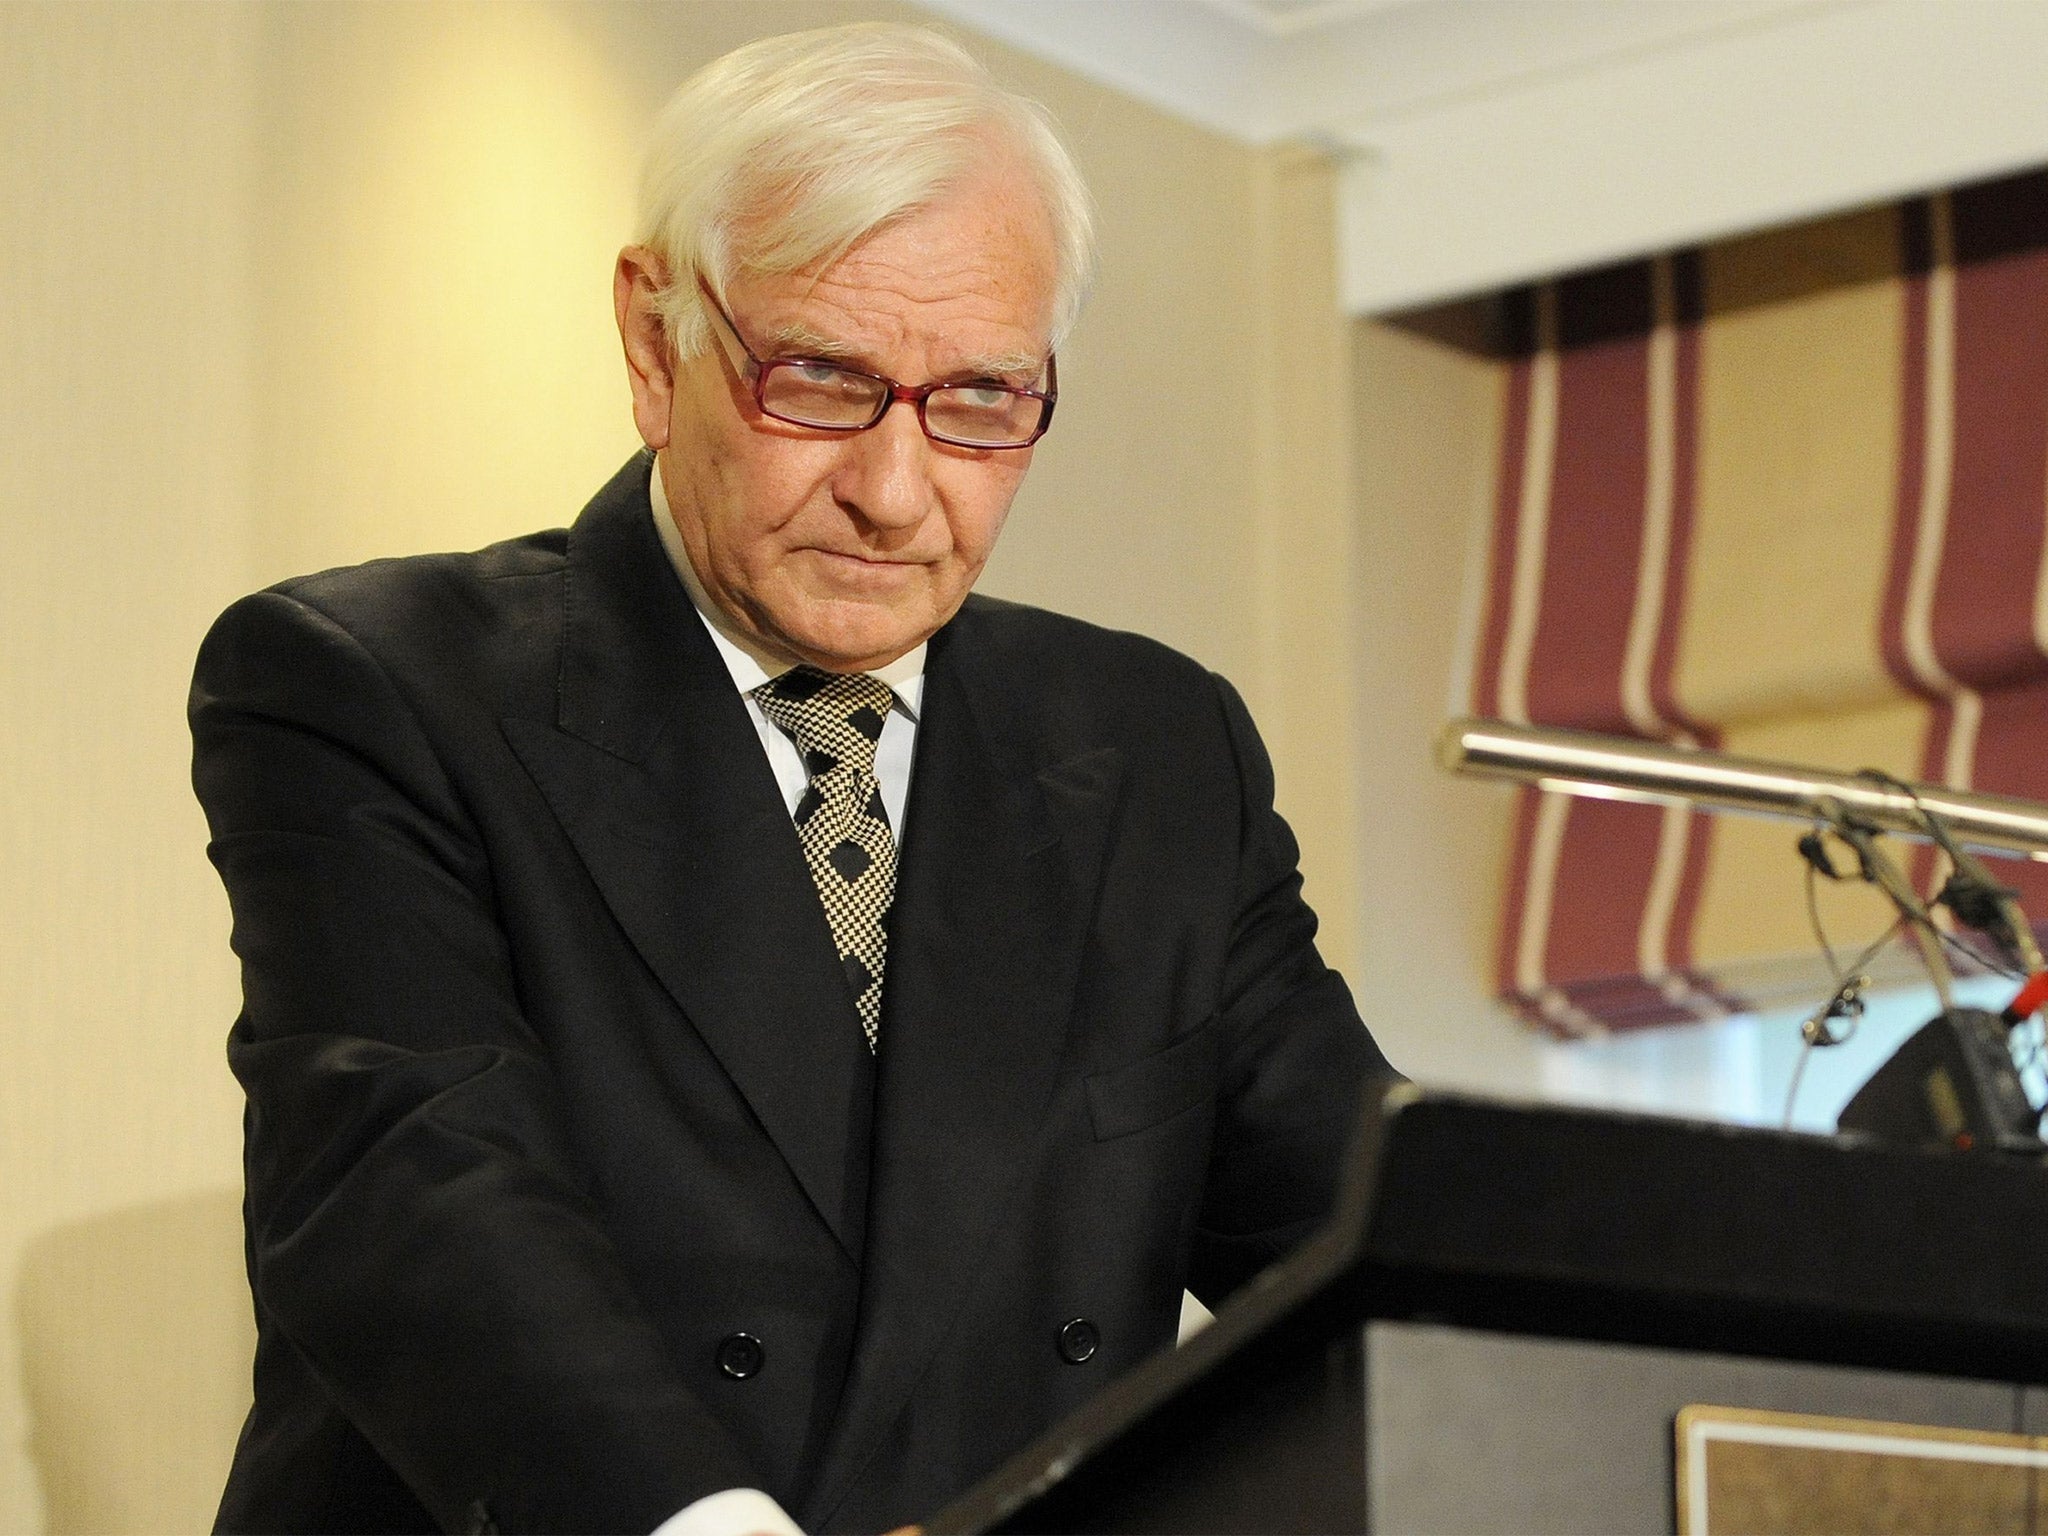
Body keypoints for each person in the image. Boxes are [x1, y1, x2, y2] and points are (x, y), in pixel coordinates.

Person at [191, 22, 1393, 1536]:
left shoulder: (1155, 748)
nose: (896, 496)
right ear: (654, 341)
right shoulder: (373, 683)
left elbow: (1363, 1232)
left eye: (980, 402)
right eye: (822, 382)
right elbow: (419, 1197)